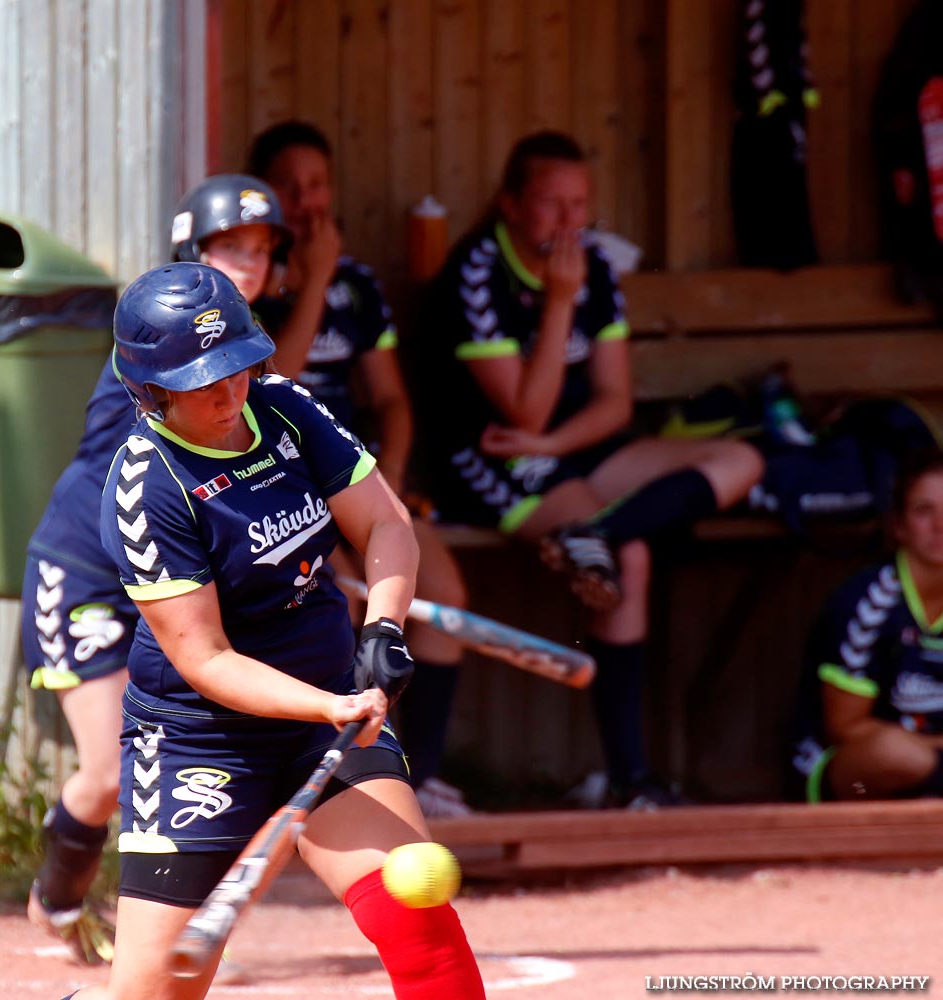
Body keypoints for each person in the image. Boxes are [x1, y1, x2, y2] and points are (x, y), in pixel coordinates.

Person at [59, 261, 482, 1000]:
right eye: (202, 380)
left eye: (238, 369)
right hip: (200, 735)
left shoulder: (284, 406)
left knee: (421, 929)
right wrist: (328, 707)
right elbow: (207, 659)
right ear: (151, 389)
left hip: (331, 706)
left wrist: (382, 627)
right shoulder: (144, 486)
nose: (229, 393)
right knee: (154, 992)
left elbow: (385, 521)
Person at [412, 130, 766, 809]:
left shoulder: (593, 267)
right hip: (489, 459)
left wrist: (560, 442)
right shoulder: (478, 273)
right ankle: (631, 779)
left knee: (742, 458)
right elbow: (527, 409)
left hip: (568, 450)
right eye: (552, 205)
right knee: (630, 562)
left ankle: (595, 535)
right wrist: (558, 303)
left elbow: (615, 403)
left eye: (581, 206)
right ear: (510, 204)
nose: (569, 223)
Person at [20, 174, 292, 964]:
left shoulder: (241, 353)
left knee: (202, 757)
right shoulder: (166, 336)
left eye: (263, 252)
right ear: (191, 252)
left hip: (171, 574)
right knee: (107, 771)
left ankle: (175, 928)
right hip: (86, 567)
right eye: (231, 249)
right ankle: (59, 896)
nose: (249, 264)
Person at [247, 119, 473, 818]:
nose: (309, 201)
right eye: (291, 187)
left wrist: (394, 481)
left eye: (319, 185)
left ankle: (422, 775)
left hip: (353, 477)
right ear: (266, 197)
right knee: (339, 610)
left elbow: (391, 400)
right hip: (278, 485)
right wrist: (312, 279)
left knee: (444, 597)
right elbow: (273, 381)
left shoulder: (360, 284)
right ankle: (337, 786)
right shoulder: (247, 282)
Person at [789, 449, 943, 802]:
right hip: (852, 772)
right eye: (924, 511)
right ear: (899, 526)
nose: (940, 525)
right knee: (897, 754)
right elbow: (846, 728)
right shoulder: (866, 600)